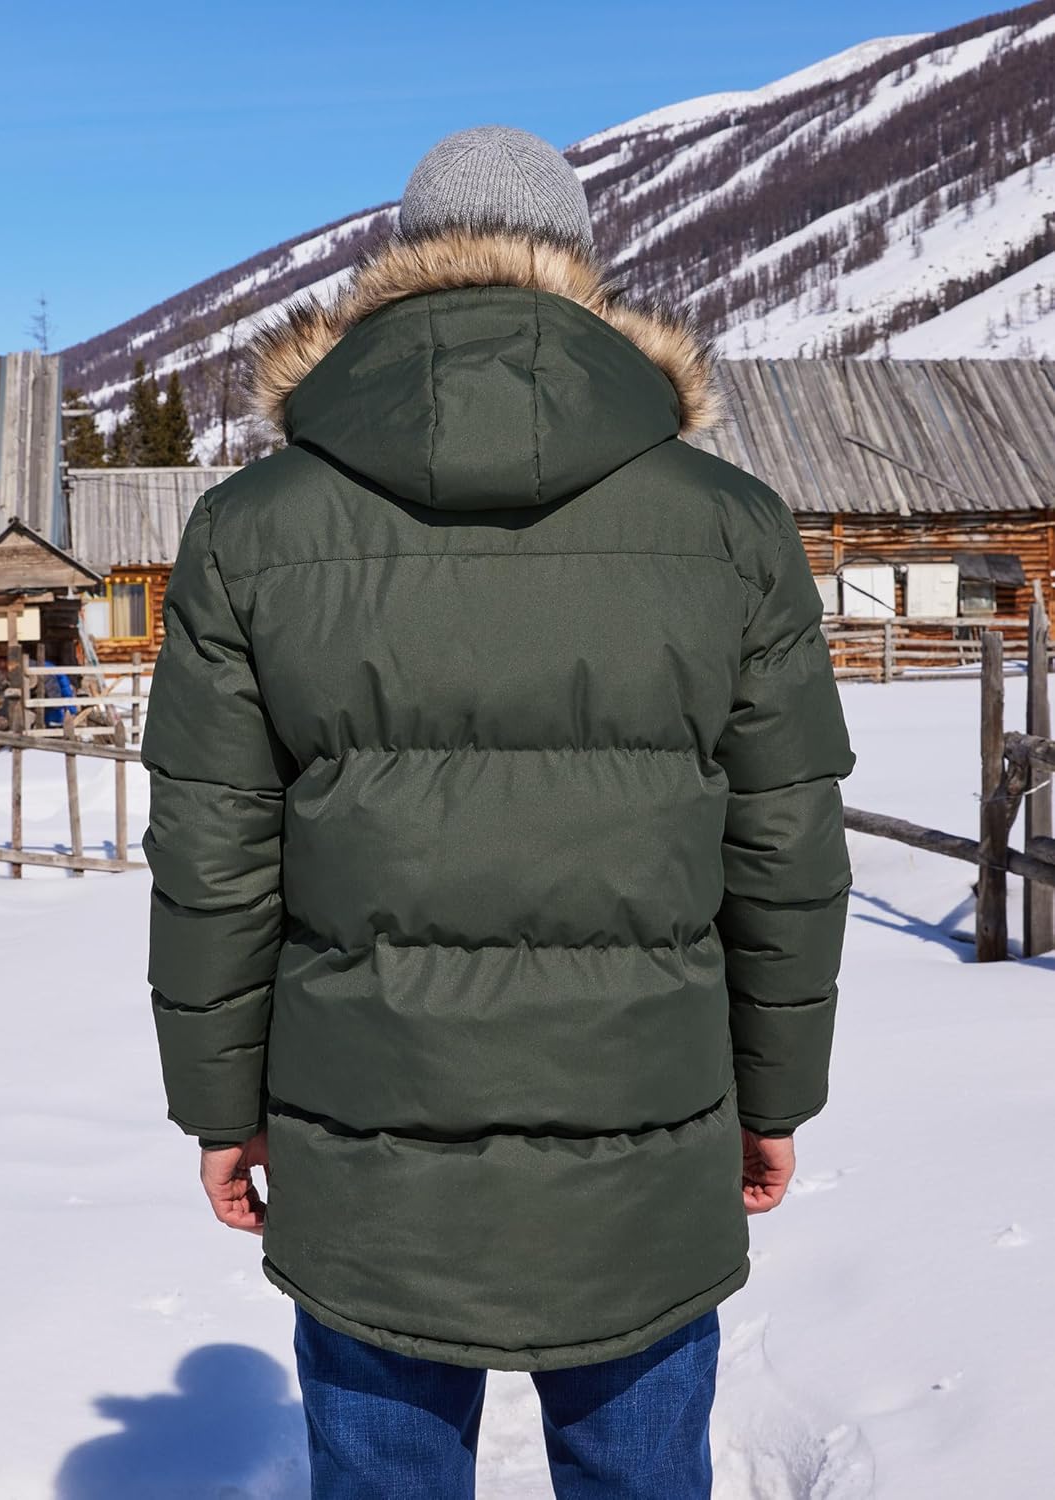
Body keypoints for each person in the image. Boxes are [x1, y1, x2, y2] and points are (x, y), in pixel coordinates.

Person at [141, 124, 854, 1499]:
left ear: (401, 264)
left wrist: (219, 1106)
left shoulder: (252, 529)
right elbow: (786, 845)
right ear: (577, 267)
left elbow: (212, 855)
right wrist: (775, 1092)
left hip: (366, 1144)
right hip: (644, 1126)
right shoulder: (729, 525)